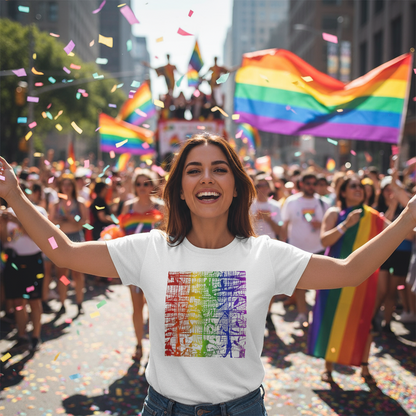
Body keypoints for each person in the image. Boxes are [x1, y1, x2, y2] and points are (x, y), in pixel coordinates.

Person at [0, 134, 415, 416]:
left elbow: (350, 271)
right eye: (193, 170)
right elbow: (67, 253)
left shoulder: (266, 255)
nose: (207, 178)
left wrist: (407, 218)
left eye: (219, 168)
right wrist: (15, 196)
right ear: (180, 188)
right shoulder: (149, 248)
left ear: (235, 185)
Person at [308, 175, 388, 385]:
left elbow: (400, 231)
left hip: (363, 278)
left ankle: (364, 365)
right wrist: (346, 225)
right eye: (353, 186)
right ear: (343, 192)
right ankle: (328, 368)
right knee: (331, 318)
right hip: (334, 276)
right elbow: (325, 240)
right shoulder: (335, 213)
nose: (358, 189)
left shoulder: (373, 216)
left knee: (365, 319)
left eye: (361, 186)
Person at [119, 169, 164, 363]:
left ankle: (156, 348)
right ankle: (138, 344)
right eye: (139, 184)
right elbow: (120, 234)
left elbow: (168, 235)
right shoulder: (127, 207)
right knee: (137, 308)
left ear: (152, 186)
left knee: (156, 309)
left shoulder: (161, 207)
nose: (142, 187)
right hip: (134, 265)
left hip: (157, 265)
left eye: (146, 184)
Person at [0, 182, 46, 353]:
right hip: (15, 262)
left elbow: (38, 237)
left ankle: (35, 335)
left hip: (33, 261)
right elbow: (6, 242)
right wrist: (3, 226)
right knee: (19, 301)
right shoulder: (7, 214)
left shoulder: (39, 211)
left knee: (34, 301)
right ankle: (22, 335)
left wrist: (16, 221)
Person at [280, 172, 330, 325]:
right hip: (297, 250)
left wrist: (320, 225)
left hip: (318, 249)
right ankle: (302, 313)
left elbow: (330, 228)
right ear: (301, 184)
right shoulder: (291, 202)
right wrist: (282, 248)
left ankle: (318, 315)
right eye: (308, 183)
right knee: (299, 284)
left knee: (320, 285)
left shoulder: (324, 203)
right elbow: (284, 226)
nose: (311, 186)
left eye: (314, 183)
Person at [373, 176, 414, 334]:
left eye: (393, 190)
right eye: (387, 189)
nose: (390, 193)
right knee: (382, 290)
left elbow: (410, 236)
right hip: (385, 253)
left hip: (402, 254)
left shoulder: (408, 207)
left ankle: (387, 323)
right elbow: (382, 230)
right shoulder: (378, 208)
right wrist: (393, 205)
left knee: (391, 292)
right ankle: (372, 318)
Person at [52, 174, 88, 316]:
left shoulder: (80, 203)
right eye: (64, 184)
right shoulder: (55, 204)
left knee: (77, 273)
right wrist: (60, 220)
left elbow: (85, 221)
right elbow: (51, 222)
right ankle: (62, 302)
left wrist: (73, 218)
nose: (66, 187)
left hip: (76, 239)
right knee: (62, 275)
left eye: (69, 184)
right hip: (61, 239)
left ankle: (79, 302)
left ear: (73, 186)